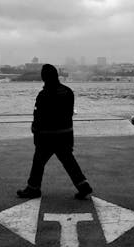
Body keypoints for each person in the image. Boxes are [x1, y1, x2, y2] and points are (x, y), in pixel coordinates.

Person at [17, 64, 93, 199]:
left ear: (43, 77)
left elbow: (38, 118)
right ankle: (83, 186)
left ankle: (33, 188)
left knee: (38, 163)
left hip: (47, 137)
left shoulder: (43, 95)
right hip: (65, 134)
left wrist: (35, 131)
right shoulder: (68, 92)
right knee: (69, 162)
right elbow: (70, 113)